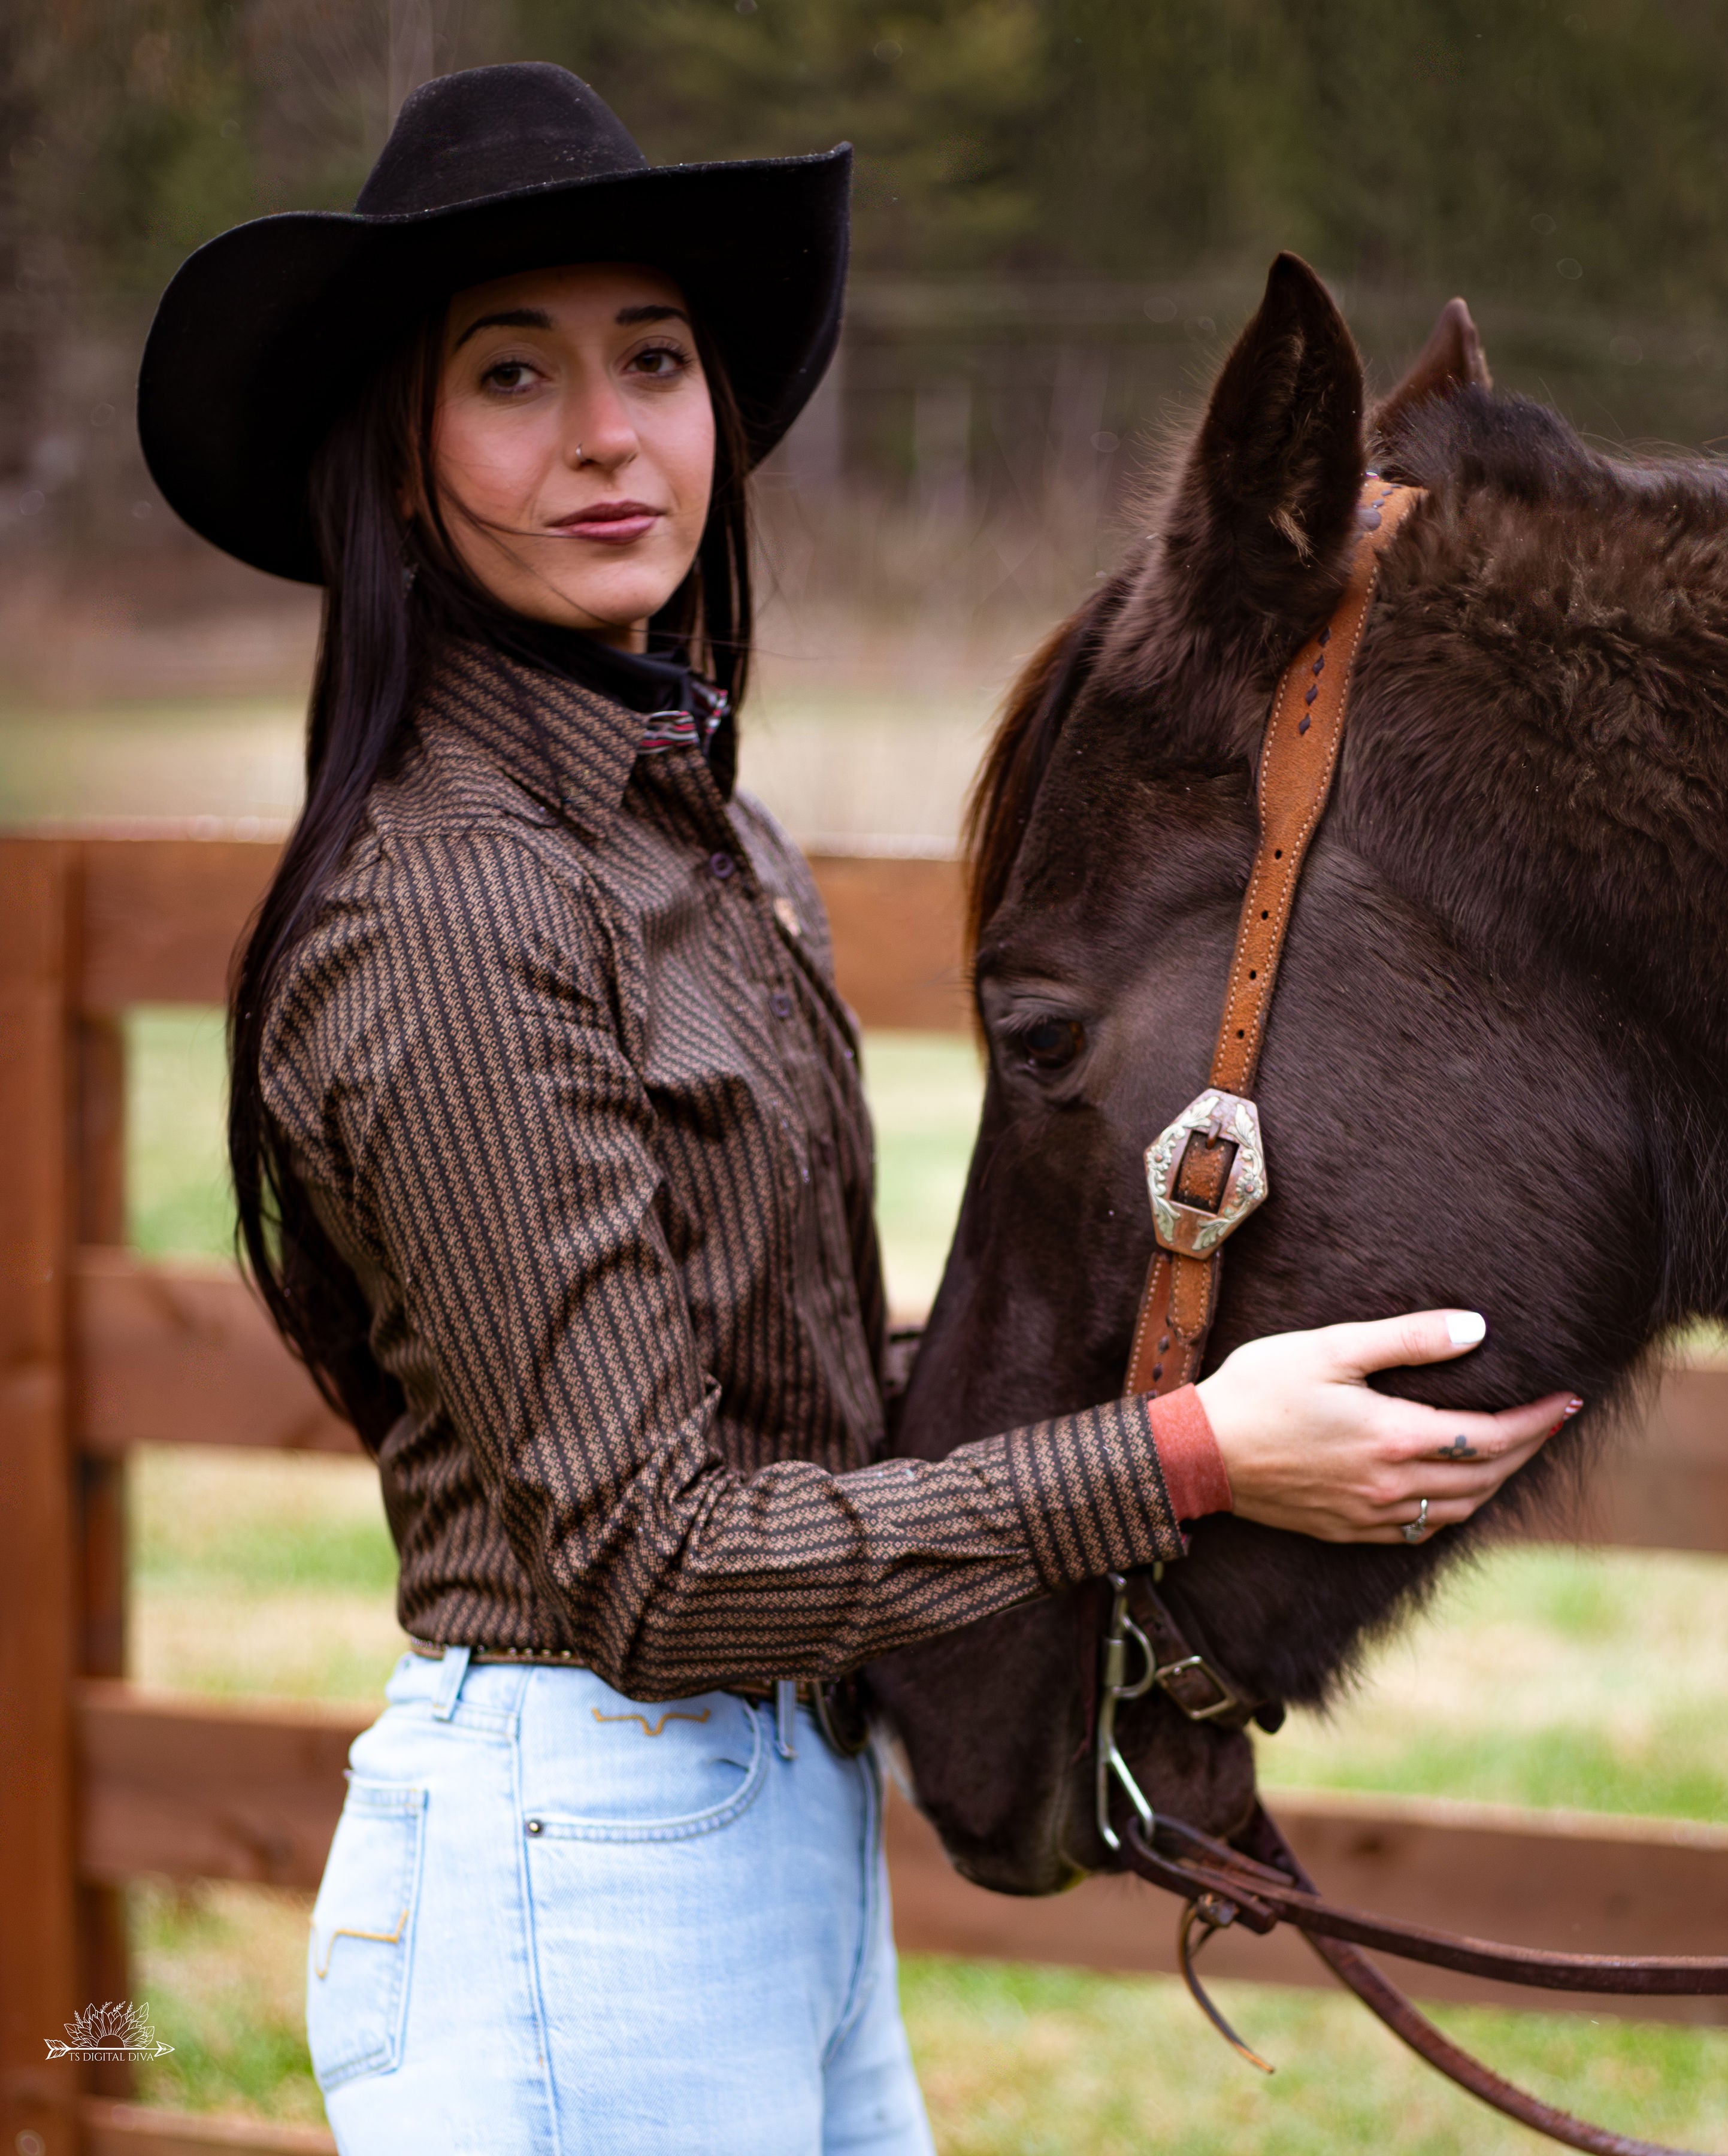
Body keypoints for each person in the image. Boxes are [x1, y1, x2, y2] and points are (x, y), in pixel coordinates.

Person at [138, 61, 1578, 2156]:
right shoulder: (447, 909)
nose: (611, 434)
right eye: (512, 377)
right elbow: (649, 1573)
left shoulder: (711, 846)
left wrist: (1225, 1417)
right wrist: (1176, 1457)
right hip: (585, 1850)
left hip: (766, 1830)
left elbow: (791, 1410)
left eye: (653, 358)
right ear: (399, 451)